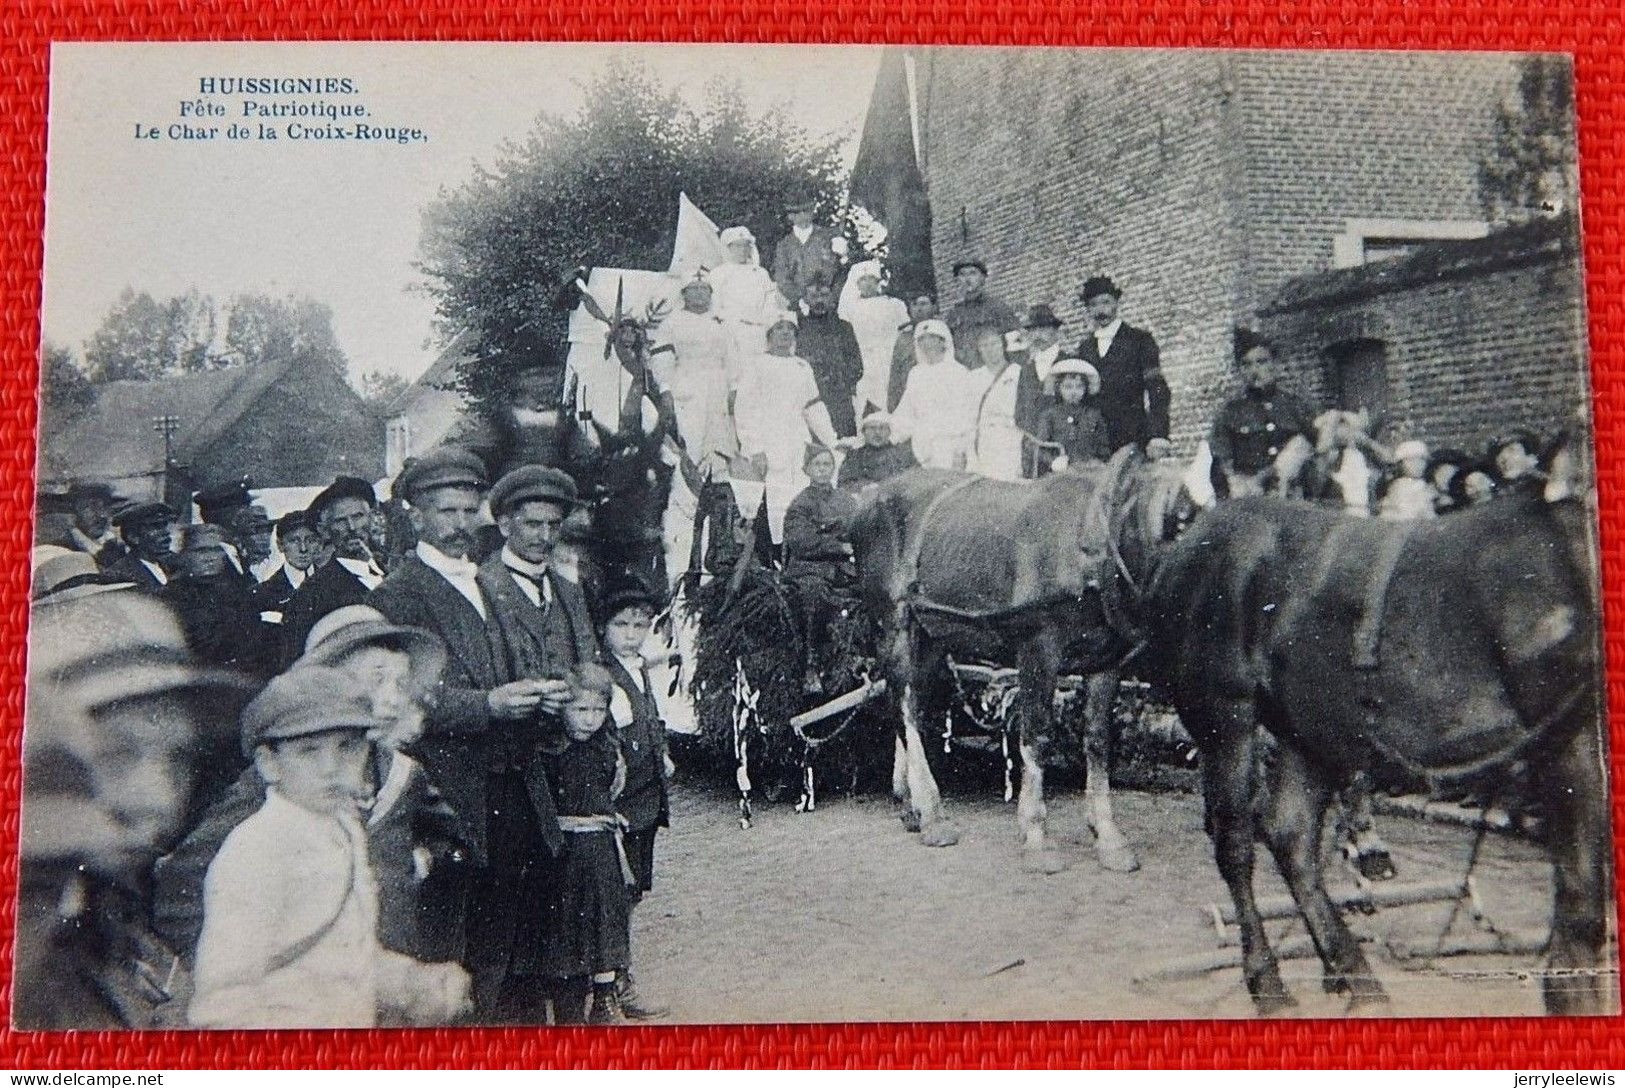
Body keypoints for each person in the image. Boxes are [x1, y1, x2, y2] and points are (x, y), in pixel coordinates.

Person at [151, 605, 465, 968]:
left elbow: (450, 836)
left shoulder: (402, 773)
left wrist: (418, 858)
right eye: (376, 680)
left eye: (400, 683)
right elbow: (182, 889)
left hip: (386, 979)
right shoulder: (276, 781)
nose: (394, 698)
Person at [16, 569, 255, 1029]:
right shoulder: (27, 952)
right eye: (117, 755)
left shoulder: (100, 904)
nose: (161, 799)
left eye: (177, 759)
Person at [368, 446, 556, 1021]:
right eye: (446, 511)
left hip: (513, 787)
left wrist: (538, 693)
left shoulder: (489, 580)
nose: (460, 524)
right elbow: (407, 697)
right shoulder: (399, 593)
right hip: (452, 795)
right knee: (453, 942)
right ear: (415, 515)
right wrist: (489, 705)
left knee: (509, 937)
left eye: (469, 510)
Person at [188, 667, 472, 1028]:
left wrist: (410, 981)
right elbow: (221, 1006)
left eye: (348, 747)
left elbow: (345, 958)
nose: (332, 767)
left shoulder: (343, 828)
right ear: (269, 764)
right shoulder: (256, 850)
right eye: (309, 751)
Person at [471, 465, 603, 1022]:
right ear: (504, 526)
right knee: (514, 895)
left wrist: (577, 696)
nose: (545, 536)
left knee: (566, 886)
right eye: (531, 525)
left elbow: (591, 667)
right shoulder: (481, 587)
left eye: (553, 525)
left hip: (565, 759)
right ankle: (519, 1011)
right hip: (509, 764)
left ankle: (570, 998)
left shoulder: (570, 592)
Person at [537, 664, 633, 1025]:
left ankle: (605, 998)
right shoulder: (550, 753)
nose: (590, 720)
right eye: (581, 710)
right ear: (562, 709)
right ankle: (568, 1009)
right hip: (564, 853)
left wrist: (609, 817)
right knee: (566, 930)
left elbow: (609, 793)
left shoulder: (606, 748)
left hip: (601, 853)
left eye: (598, 710)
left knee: (605, 922)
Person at [598, 582, 672, 1021]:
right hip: (621, 799)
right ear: (604, 628)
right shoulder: (603, 673)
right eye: (621, 625)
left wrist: (660, 752)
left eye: (640, 625)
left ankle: (618, 977)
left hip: (646, 797)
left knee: (633, 891)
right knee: (616, 893)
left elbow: (648, 719)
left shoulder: (639, 668)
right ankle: (614, 986)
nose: (631, 633)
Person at [730, 313, 841, 544]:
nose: (785, 333)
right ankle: (774, 551)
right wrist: (755, 448)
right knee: (773, 498)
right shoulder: (756, 364)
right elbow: (745, 408)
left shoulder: (802, 366)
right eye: (779, 328)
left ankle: (797, 547)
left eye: (789, 329)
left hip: (796, 438)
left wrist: (831, 440)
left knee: (799, 491)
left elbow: (813, 406)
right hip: (768, 438)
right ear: (769, 335)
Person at [280, 475, 386, 667]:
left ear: (371, 518)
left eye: (358, 517)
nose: (352, 528)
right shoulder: (313, 593)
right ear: (325, 530)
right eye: (340, 521)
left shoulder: (390, 573)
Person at [1209, 328, 1316, 498]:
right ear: (1240, 370)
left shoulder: (1294, 406)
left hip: (1294, 499)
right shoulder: (1230, 414)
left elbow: (1320, 447)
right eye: (1247, 364)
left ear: (1274, 364)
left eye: (1261, 362)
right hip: (1253, 500)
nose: (1254, 371)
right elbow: (1221, 467)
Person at [1074, 276, 1173, 456]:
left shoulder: (1140, 340)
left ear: (1116, 303)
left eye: (1106, 302)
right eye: (1094, 305)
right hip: (1094, 442)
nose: (1101, 310)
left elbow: (1157, 388)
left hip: (1132, 438)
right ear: (1088, 310)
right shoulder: (1085, 349)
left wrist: (1158, 434)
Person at [162, 523, 274, 680]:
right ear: (185, 555)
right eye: (201, 551)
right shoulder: (171, 597)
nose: (210, 558)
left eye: (216, 550)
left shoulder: (235, 591)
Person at [891, 319, 984, 470]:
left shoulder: (958, 372)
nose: (927, 344)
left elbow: (969, 414)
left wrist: (961, 450)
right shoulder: (916, 374)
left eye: (932, 338)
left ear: (943, 342)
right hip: (922, 448)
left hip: (950, 446)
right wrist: (891, 432)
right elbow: (905, 411)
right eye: (922, 339)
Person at [838, 260, 910, 420]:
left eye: (871, 279)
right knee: (866, 404)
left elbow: (904, 335)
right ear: (857, 284)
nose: (867, 284)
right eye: (863, 280)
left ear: (878, 281)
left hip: (889, 360)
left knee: (892, 400)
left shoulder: (895, 304)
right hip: (864, 363)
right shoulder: (850, 309)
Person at [795, 278, 865, 438]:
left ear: (832, 297)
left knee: (845, 441)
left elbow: (857, 364)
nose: (819, 300)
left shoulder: (844, 328)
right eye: (813, 296)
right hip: (811, 397)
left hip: (839, 398)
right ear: (806, 299)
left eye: (824, 295)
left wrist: (841, 380)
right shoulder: (800, 329)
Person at [710, 225, 783, 360]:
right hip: (731, 331)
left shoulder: (761, 273)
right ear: (729, 248)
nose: (742, 250)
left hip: (759, 331)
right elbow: (715, 306)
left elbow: (769, 302)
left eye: (746, 246)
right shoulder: (718, 274)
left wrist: (766, 323)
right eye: (738, 246)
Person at [1032, 359, 1111, 475]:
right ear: (1059, 388)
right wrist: (1053, 462)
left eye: (1079, 387)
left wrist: (1098, 462)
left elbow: (1104, 449)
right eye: (1068, 387)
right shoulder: (1050, 415)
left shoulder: (1094, 415)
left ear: (1085, 389)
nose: (1073, 392)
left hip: (1089, 474)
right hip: (1059, 476)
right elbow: (1039, 448)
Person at [771, 193, 847, 309]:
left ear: (812, 212)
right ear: (790, 216)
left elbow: (842, 271)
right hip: (799, 306)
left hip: (828, 304)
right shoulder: (784, 245)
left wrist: (833, 297)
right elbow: (782, 277)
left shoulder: (829, 237)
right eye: (797, 213)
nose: (803, 216)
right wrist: (800, 299)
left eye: (806, 211)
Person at [249, 509, 322, 619]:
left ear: (319, 543)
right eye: (294, 541)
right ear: (280, 545)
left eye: (310, 540)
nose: (303, 548)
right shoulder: (261, 595)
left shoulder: (333, 585)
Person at [942, 259, 1016, 357]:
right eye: (962, 274)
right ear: (957, 280)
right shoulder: (954, 314)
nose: (967, 279)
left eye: (973, 273)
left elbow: (1014, 342)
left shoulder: (998, 307)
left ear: (983, 278)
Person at [838, 410, 917, 493]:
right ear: (864, 432)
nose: (877, 432)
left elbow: (915, 479)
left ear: (889, 432)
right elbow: (843, 486)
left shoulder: (903, 454)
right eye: (872, 428)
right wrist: (864, 487)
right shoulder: (854, 457)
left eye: (882, 428)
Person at [105, 500, 177, 591]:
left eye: (164, 525)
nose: (166, 533)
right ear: (133, 537)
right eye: (156, 527)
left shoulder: (177, 564)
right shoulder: (120, 573)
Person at [887, 293, 938, 412]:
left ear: (934, 307)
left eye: (923, 304)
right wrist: (893, 406)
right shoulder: (903, 339)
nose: (919, 309)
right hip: (911, 400)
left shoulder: (943, 332)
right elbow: (896, 374)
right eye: (914, 305)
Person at [59, 481, 126, 567]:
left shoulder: (117, 546)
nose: (102, 515)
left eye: (105, 507)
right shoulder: (63, 549)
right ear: (75, 511)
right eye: (92, 506)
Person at [1378, 439, 1440, 521]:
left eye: (1422, 460)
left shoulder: (1423, 484)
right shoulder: (1399, 485)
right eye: (1411, 461)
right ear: (1401, 464)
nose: (1418, 465)